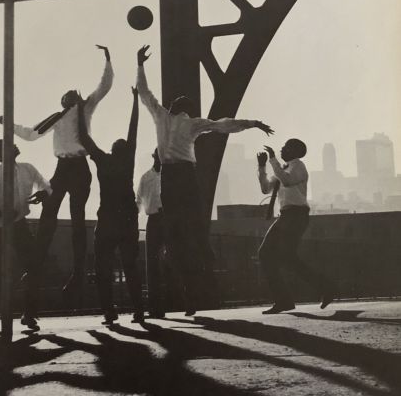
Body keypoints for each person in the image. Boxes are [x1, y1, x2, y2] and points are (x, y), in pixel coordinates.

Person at [136, 45, 274, 315]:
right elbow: (223, 124)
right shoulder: (193, 123)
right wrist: (253, 122)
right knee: (194, 217)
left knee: (177, 226)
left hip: (172, 176)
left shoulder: (163, 118)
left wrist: (140, 65)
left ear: (176, 107)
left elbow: (145, 94)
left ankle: (183, 254)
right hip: (186, 173)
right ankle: (201, 246)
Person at [0, 45, 113, 301]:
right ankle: (36, 266)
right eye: (68, 95)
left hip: (79, 167)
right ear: (64, 101)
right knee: (49, 215)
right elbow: (31, 134)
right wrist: (9, 123)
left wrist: (108, 61)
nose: (71, 96)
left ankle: (77, 273)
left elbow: (103, 88)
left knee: (77, 221)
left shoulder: (84, 110)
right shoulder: (57, 118)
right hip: (63, 168)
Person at [0, 140, 52, 337]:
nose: (14, 145)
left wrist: (44, 193)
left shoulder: (28, 169)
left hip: (20, 225)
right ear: (0, 153)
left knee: (35, 267)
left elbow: (46, 185)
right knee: (0, 274)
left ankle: (29, 314)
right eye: (8, 144)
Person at [77, 88, 144, 325]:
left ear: (112, 149)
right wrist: (136, 101)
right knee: (130, 266)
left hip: (107, 219)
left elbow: (84, 138)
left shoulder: (103, 160)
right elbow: (133, 129)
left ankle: (109, 311)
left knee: (102, 269)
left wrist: (79, 112)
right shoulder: (128, 161)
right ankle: (138, 310)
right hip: (127, 218)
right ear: (126, 150)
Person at [257, 139, 335, 314]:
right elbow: (265, 189)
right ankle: (320, 289)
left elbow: (287, 181)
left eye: (285, 147)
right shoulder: (281, 169)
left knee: (285, 256)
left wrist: (272, 160)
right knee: (269, 255)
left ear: (295, 151)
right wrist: (262, 168)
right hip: (285, 216)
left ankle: (319, 289)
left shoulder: (299, 167)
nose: (282, 149)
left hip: (296, 216)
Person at [136, 148, 166, 318]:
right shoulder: (146, 178)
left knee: (174, 260)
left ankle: (185, 300)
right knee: (152, 265)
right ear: (154, 157)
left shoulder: (170, 176)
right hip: (154, 219)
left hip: (168, 218)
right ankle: (156, 307)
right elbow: (138, 200)